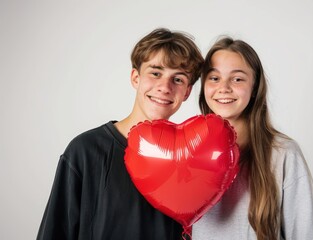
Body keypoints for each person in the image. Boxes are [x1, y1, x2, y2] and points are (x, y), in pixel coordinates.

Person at [37, 28, 203, 240]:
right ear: (135, 77)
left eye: (178, 79)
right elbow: (54, 232)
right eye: (155, 73)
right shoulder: (85, 151)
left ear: (187, 91)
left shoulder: (191, 160)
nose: (165, 87)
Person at [192, 37, 313, 240]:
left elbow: (303, 234)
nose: (224, 87)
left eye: (237, 78)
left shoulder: (283, 154)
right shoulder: (187, 150)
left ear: (254, 87)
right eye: (214, 78)